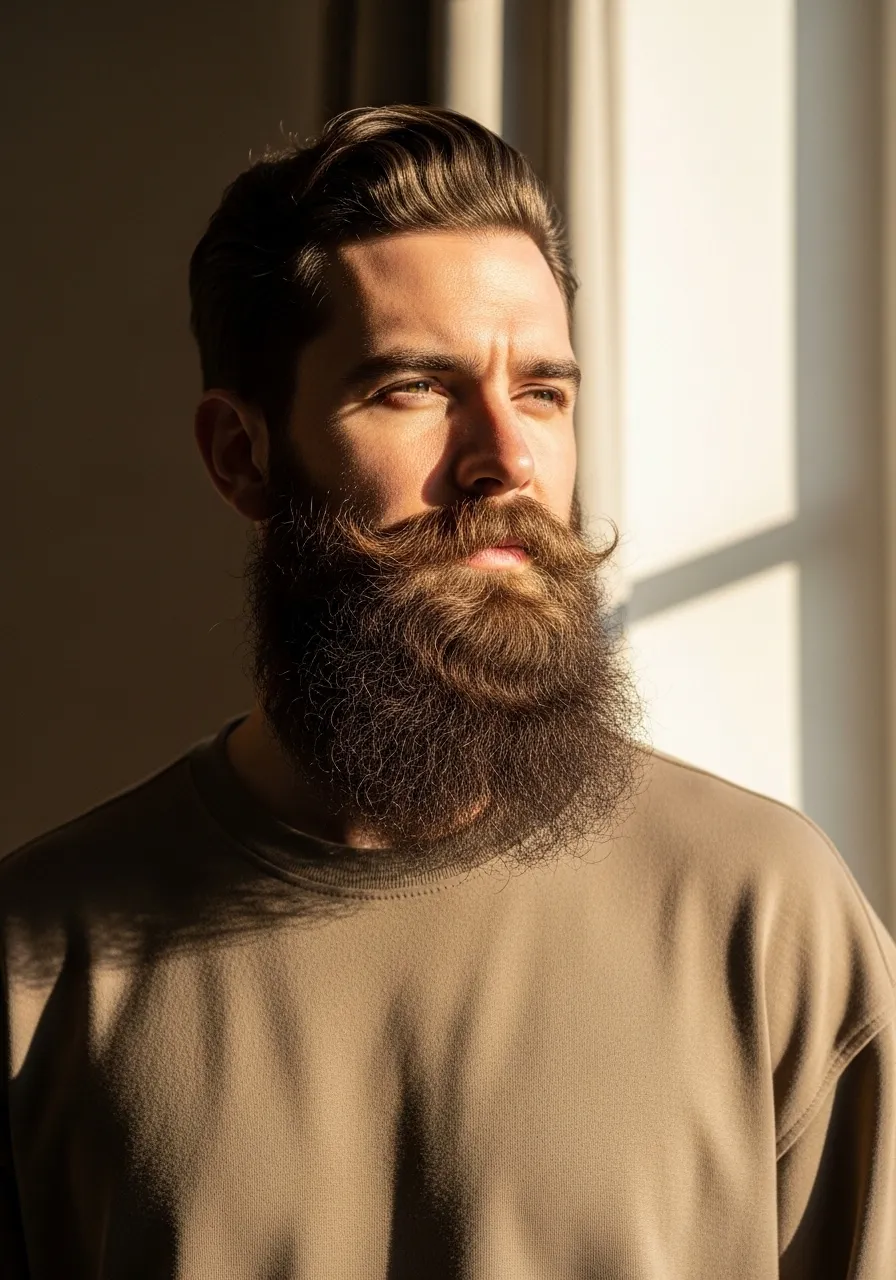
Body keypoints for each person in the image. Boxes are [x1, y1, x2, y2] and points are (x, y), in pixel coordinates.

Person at [1, 105, 893, 1279]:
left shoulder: (767, 916)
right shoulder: (37, 961)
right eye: (415, 387)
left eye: (542, 392)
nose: (506, 460)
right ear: (240, 454)